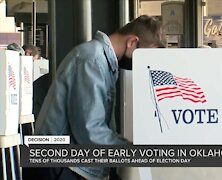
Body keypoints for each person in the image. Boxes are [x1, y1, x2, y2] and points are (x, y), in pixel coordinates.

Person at [31, 15, 163, 180]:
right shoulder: (93, 60)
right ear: (132, 42)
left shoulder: (102, 62)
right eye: (144, 57)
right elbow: (90, 131)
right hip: (60, 166)